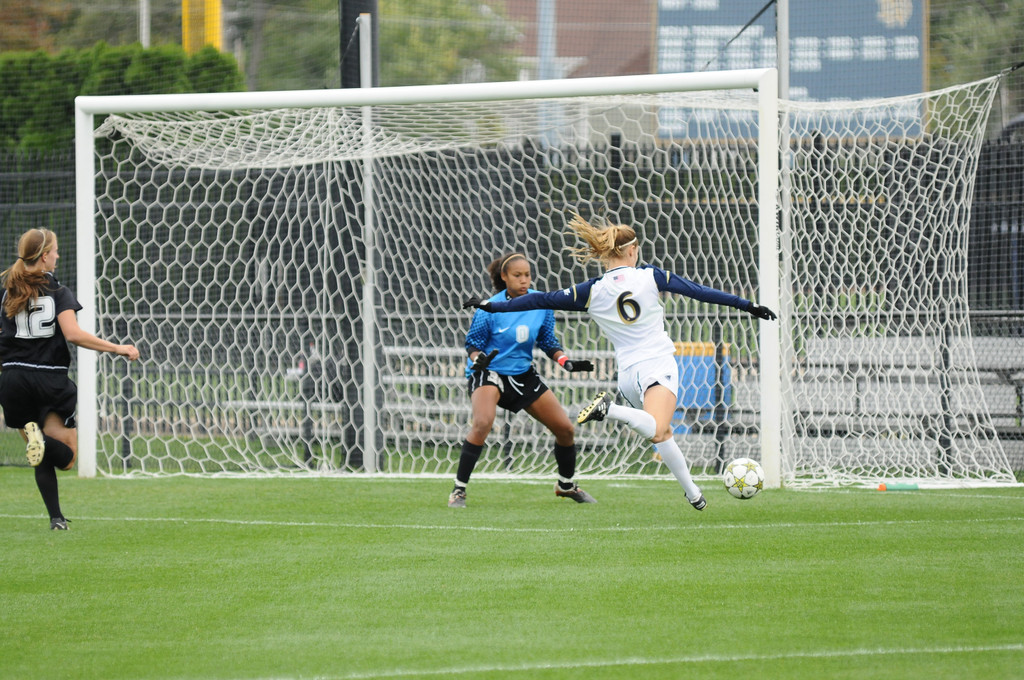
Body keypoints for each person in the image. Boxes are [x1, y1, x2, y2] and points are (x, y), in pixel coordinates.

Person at [463, 214, 776, 511]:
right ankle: (609, 410)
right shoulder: (651, 276)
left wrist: (492, 306)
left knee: (661, 433)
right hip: (656, 364)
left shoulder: (592, 290)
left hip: (626, 375)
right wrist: (746, 305)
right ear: (632, 249)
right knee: (658, 427)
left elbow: (541, 299)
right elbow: (700, 292)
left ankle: (693, 494)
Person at [0, 228, 140, 530]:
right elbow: (74, 335)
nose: (58, 256)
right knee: (67, 458)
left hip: (12, 379)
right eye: (55, 251)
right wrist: (117, 348)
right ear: (44, 256)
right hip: (48, 379)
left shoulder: (6, 293)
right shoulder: (58, 293)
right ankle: (56, 515)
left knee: (38, 450)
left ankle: (56, 518)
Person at [450, 251, 597, 508]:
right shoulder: (489, 308)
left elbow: (547, 341)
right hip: (489, 372)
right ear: (504, 277)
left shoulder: (540, 303)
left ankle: (565, 485)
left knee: (565, 429)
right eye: (517, 275)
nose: (524, 280)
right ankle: (458, 491)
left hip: (522, 375)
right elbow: (472, 344)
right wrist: (478, 359)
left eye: (527, 275)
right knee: (483, 422)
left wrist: (566, 361)